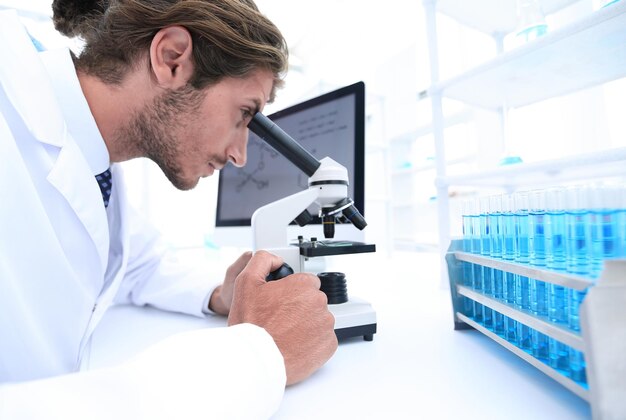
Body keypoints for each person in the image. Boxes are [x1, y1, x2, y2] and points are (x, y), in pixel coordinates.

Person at [0, 0, 337, 418]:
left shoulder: (94, 161)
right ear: (172, 58)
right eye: (244, 114)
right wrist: (257, 357)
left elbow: (136, 266)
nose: (240, 156)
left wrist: (221, 294)